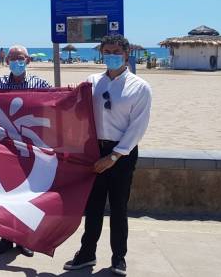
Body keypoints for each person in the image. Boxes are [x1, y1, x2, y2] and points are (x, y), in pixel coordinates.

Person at [64, 35, 151, 276]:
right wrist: (73, 95)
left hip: (121, 154)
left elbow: (137, 128)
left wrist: (113, 157)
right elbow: (78, 110)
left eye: (115, 51)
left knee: (118, 207)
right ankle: (86, 254)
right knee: (92, 207)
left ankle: (118, 258)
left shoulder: (140, 87)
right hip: (94, 151)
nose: (111, 56)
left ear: (125, 53)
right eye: (107, 51)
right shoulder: (92, 82)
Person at [0, 44, 50, 257]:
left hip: (31, 147)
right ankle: (5, 237)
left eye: (21, 58)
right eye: (13, 58)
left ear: (28, 61)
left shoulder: (40, 84)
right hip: (5, 147)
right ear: (7, 61)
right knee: (6, 193)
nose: (17, 61)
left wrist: (76, 90)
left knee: (27, 194)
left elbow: (58, 101)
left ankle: (24, 239)